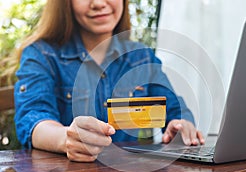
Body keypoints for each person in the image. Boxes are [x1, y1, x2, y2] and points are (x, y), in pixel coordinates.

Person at [14, 0, 204, 162]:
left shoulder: (141, 57)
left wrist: (181, 125)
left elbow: (175, 110)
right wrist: (65, 139)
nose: (98, 3)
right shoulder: (41, 55)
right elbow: (33, 119)